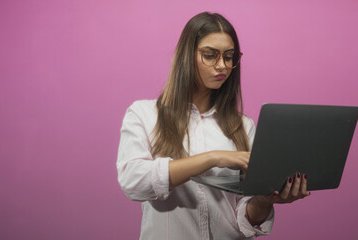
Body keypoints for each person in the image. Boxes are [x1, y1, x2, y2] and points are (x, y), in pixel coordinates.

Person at [117, 12, 310, 240]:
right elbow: (133, 182)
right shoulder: (144, 114)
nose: (222, 66)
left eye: (229, 57)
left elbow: (244, 218)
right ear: (186, 56)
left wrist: (263, 200)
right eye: (210, 55)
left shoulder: (243, 126)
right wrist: (212, 158)